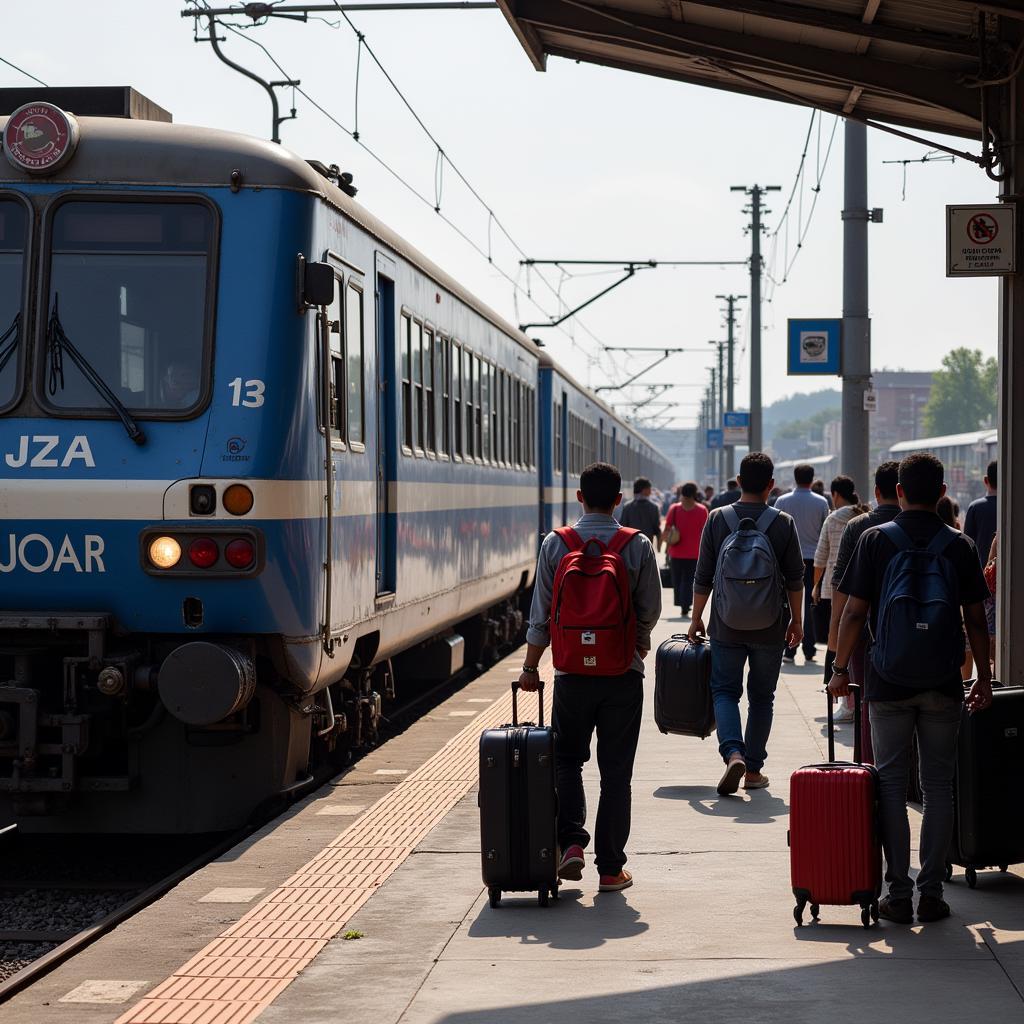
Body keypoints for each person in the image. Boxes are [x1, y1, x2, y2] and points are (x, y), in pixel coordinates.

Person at [831, 453, 992, 924]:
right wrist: (981, 676)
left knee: (891, 785)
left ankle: (897, 894)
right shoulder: (958, 545)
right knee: (939, 786)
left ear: (898, 491)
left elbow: (855, 612)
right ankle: (933, 893)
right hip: (943, 681)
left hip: (888, 681)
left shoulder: (875, 539)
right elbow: (976, 621)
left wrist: (839, 669)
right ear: (943, 493)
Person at [520, 462, 662, 893]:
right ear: (619, 500)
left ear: (579, 497)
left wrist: (530, 668)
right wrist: (637, 642)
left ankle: (572, 844)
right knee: (616, 772)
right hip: (622, 674)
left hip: (570, 675)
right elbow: (652, 606)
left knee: (566, 760)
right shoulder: (635, 545)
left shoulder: (555, 544)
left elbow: (540, 616)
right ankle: (611, 869)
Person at [688, 452, 805, 795]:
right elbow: (796, 579)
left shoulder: (716, 518)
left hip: (725, 623)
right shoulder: (783, 522)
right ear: (771, 485)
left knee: (724, 691)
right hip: (770, 625)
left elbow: (703, 575)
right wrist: (797, 621)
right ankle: (753, 770)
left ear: (738, 482)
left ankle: (733, 753)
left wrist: (696, 617)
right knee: (762, 697)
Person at [829, 461, 902, 733]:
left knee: (868, 704)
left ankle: (873, 768)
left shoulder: (859, 527)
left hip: (865, 635)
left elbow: (842, 589)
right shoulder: (935, 527)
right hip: (918, 633)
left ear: (876, 491)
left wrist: (836, 639)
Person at [811, 476, 861, 722]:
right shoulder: (865, 514)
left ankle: (843, 699)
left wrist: (815, 584)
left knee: (838, 640)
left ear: (836, 494)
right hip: (862, 589)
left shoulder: (833, 518)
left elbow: (821, 557)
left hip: (836, 589)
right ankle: (854, 697)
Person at [774, 464, 830, 664]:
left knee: (790, 602)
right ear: (812, 478)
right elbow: (825, 533)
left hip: (788, 559)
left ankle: (789, 649)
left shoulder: (782, 500)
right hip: (814, 559)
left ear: (795, 478)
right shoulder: (822, 502)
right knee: (810, 603)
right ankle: (809, 648)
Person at [964, 460, 997, 666]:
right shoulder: (1014, 504)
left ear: (986, 480)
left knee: (983, 626)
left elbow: (969, 545)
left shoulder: (976, 508)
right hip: (1008, 578)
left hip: (983, 580)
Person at [664, 481, 709, 616]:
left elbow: (667, 529)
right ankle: (686, 603)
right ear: (695, 494)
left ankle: (681, 602)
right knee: (689, 580)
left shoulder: (675, 508)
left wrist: (665, 546)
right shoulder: (702, 510)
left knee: (677, 579)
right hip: (695, 552)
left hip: (676, 551)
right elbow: (706, 532)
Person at [619, 476, 662, 550]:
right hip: (647, 546)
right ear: (644, 490)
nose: (650, 491)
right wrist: (658, 546)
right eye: (649, 489)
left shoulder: (627, 506)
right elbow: (656, 528)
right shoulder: (653, 507)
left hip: (630, 546)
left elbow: (622, 526)